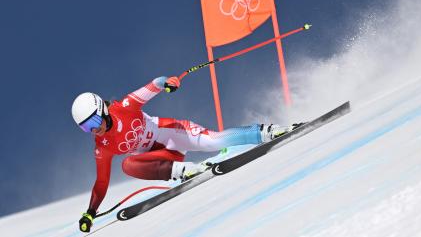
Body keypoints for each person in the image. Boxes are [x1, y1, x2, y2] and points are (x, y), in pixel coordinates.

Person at [73, 76, 298, 232]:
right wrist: (90, 212)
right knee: (128, 165)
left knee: (214, 141)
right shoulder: (102, 145)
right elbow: (102, 182)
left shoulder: (125, 106)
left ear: (101, 109)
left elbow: (153, 85)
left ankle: (268, 132)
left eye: (94, 121)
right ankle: (184, 171)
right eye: (86, 128)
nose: (95, 129)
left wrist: (167, 83)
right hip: (165, 159)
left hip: (174, 133)